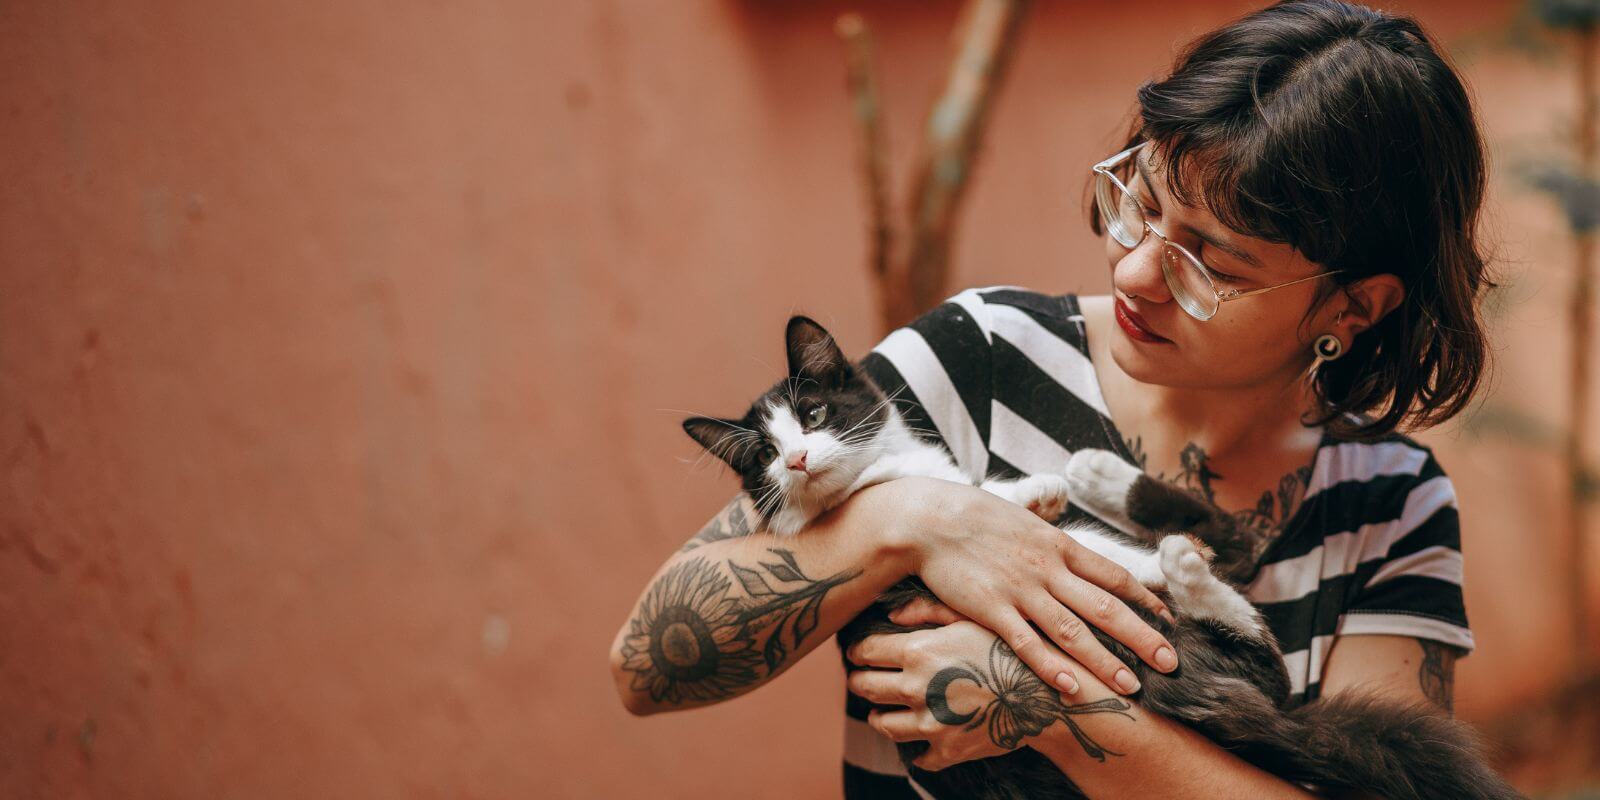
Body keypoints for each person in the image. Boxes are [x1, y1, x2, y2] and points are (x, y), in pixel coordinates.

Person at [609, 0, 1490, 796]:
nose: (1135, 270)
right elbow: (647, 667)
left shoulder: (1389, 501)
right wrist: (915, 519)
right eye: (1140, 205)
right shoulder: (980, 355)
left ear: (1353, 306)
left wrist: (1059, 712)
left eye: (1210, 265)